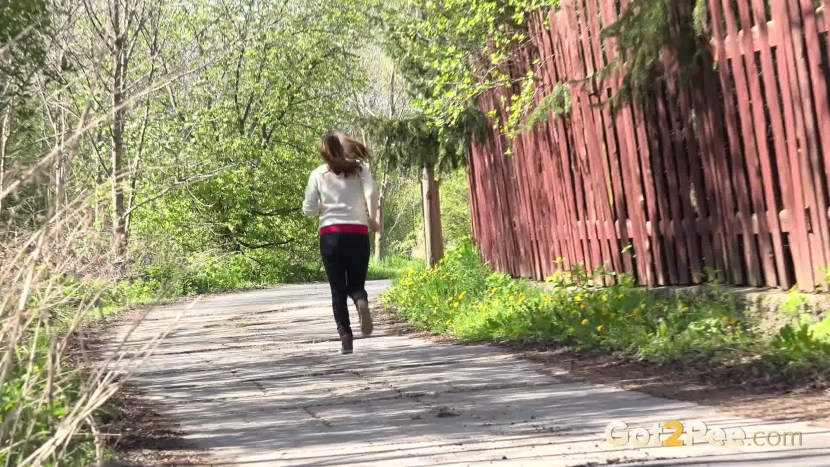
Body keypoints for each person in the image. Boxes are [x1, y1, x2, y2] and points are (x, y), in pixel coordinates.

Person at [302, 131, 379, 354]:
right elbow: (372, 192)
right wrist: (372, 219)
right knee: (356, 284)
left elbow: (309, 210)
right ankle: (361, 300)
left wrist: (320, 208)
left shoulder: (318, 174)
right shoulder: (359, 170)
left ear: (323, 150)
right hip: (357, 234)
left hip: (331, 236)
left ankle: (345, 336)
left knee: (337, 290)